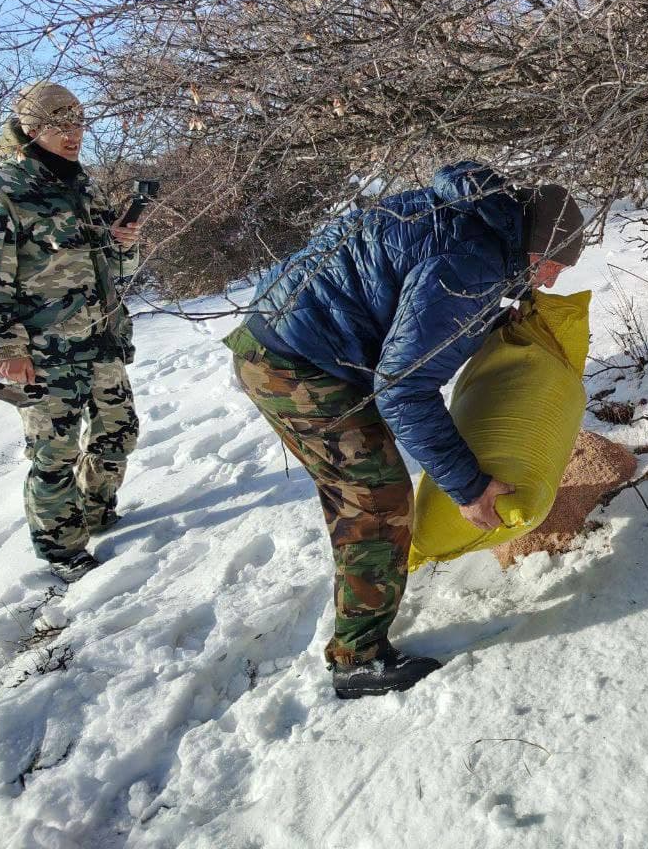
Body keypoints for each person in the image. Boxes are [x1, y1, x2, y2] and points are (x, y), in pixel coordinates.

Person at [225, 161, 584, 699]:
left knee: (362, 490)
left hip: (291, 335)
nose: (553, 279)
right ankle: (358, 660)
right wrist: (468, 486)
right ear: (534, 244)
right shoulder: (471, 265)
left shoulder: (469, 219)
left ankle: (360, 614)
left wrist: (485, 319)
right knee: (377, 500)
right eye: (554, 265)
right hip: (295, 363)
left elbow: (411, 302)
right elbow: (403, 388)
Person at [0, 82, 142, 583]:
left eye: (79, 123)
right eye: (60, 125)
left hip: (99, 336)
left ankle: (94, 511)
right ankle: (61, 549)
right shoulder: (1, 187)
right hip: (42, 349)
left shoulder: (81, 184)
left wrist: (122, 242)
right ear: (32, 128)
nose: (73, 134)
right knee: (54, 452)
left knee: (119, 431)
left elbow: (109, 265)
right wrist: (9, 348)